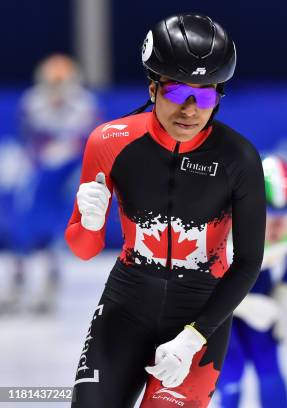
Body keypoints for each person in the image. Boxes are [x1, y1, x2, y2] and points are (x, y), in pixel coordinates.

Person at [65, 14, 265, 408]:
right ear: (153, 88)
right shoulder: (109, 142)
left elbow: (248, 261)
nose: (190, 111)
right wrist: (89, 222)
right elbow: (84, 250)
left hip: (200, 312)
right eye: (177, 93)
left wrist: (195, 336)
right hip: (125, 305)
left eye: (205, 96)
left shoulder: (238, 159)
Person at [216, 155, 287, 407]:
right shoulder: (219, 224)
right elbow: (188, 280)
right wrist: (241, 305)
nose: (278, 226)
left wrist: (282, 295)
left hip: (256, 280)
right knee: (230, 368)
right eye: (268, 214)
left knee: (269, 363)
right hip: (213, 290)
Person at [0, 54, 97, 314]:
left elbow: (88, 139)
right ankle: (18, 278)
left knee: (57, 227)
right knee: (21, 222)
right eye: (52, 83)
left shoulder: (83, 104)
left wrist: (65, 152)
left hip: (69, 171)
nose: (56, 91)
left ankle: (50, 281)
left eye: (61, 83)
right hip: (39, 169)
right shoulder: (33, 101)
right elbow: (25, 137)